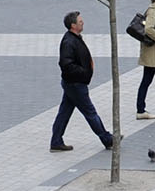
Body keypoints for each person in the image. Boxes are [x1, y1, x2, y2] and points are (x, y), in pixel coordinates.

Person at [49, 10, 115, 151]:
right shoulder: (69, 41)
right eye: (80, 21)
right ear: (73, 25)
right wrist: (84, 73)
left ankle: (56, 141)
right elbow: (66, 65)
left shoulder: (75, 38)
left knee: (64, 112)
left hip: (73, 83)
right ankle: (107, 139)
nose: (83, 22)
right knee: (90, 112)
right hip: (75, 84)